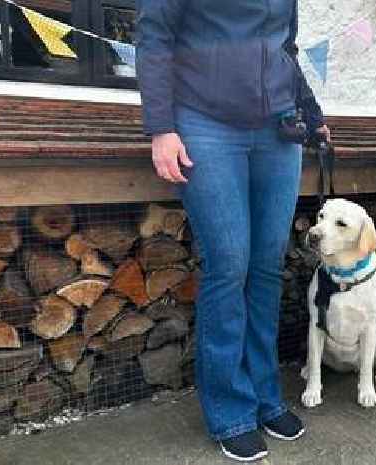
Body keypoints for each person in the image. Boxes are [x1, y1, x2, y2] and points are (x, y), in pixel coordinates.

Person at [136, 1, 329, 462]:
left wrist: (312, 112)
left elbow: (285, 47)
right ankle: (229, 410)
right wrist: (161, 127)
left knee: (265, 267)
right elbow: (155, 35)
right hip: (205, 123)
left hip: (279, 130)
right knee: (229, 264)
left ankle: (265, 396)